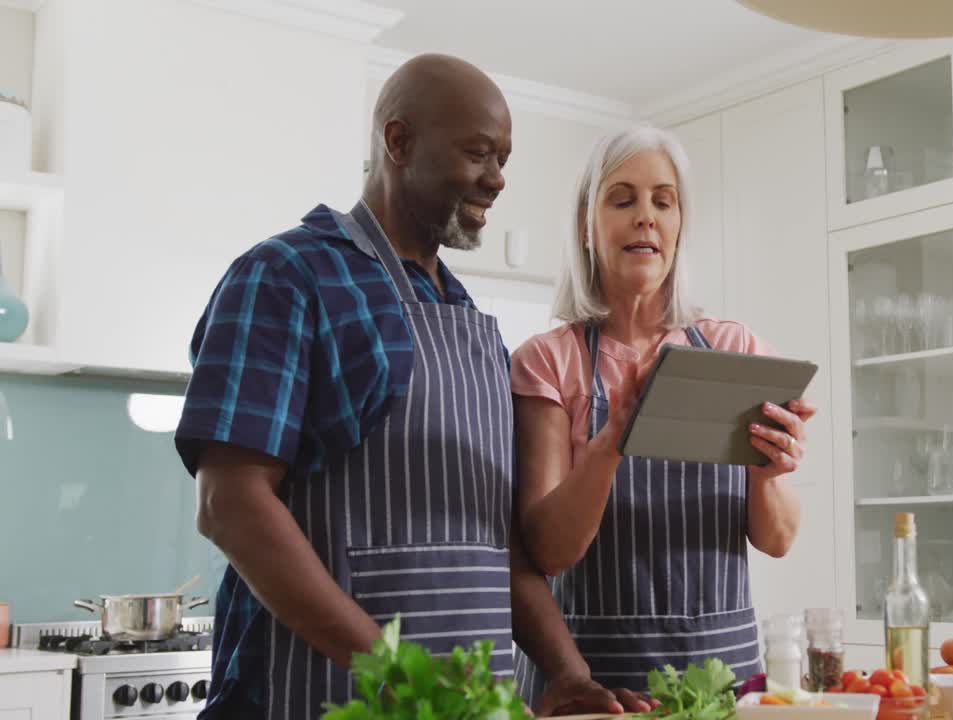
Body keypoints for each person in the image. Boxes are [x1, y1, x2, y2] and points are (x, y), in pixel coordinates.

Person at [175, 54, 647, 719]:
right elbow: (230, 504)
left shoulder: (473, 326)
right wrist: (401, 679)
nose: (498, 178)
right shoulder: (286, 277)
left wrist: (567, 674)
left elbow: (497, 544)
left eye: (503, 157)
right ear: (398, 143)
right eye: (478, 153)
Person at [510, 126, 818, 700]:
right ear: (586, 223)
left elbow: (776, 540)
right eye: (621, 199)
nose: (645, 216)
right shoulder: (549, 364)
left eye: (663, 201)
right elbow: (548, 551)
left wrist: (767, 472)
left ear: (680, 226)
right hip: (595, 685)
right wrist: (611, 441)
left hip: (723, 681)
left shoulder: (733, 350)